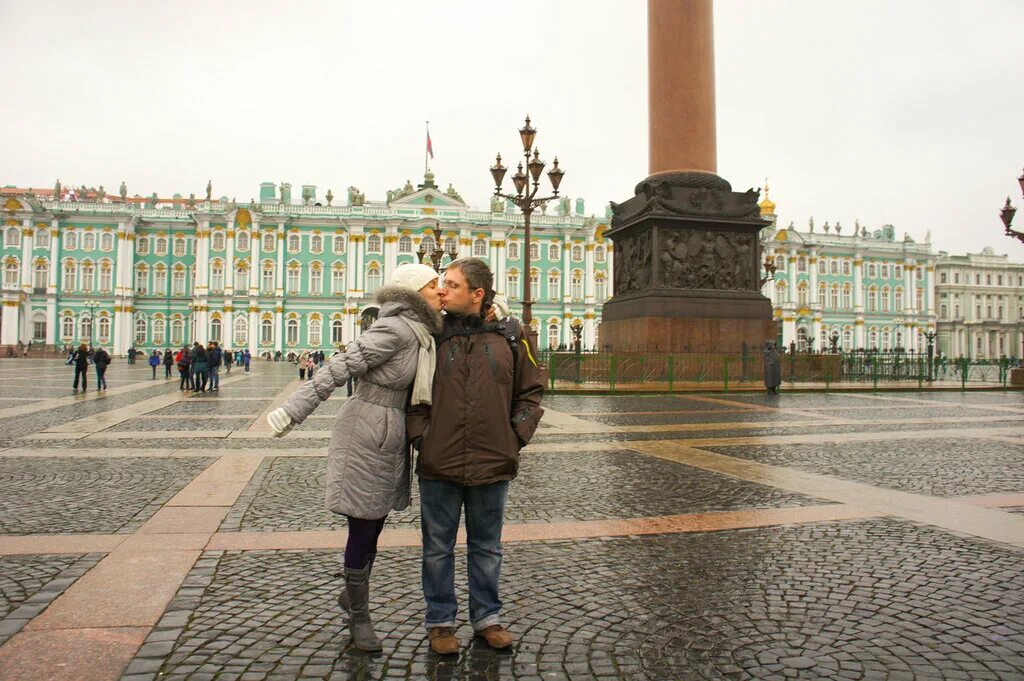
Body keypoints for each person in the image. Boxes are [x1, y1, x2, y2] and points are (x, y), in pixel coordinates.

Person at [266, 263, 443, 652]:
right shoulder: (395, 329)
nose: (441, 290)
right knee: (363, 524)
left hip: (389, 429)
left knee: (375, 521)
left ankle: (353, 592)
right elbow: (341, 365)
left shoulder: (423, 331)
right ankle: (359, 616)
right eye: (434, 285)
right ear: (415, 292)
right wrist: (294, 409)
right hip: (366, 429)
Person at [407, 258, 544, 655]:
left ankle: (487, 617)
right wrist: (423, 438)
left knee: (487, 546)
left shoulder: (514, 335)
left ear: (477, 294)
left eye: (450, 284)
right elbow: (411, 392)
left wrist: (514, 435)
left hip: (493, 458)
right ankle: (440, 622)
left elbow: (531, 391)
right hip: (440, 460)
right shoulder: (431, 334)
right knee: (437, 547)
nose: (442, 290)